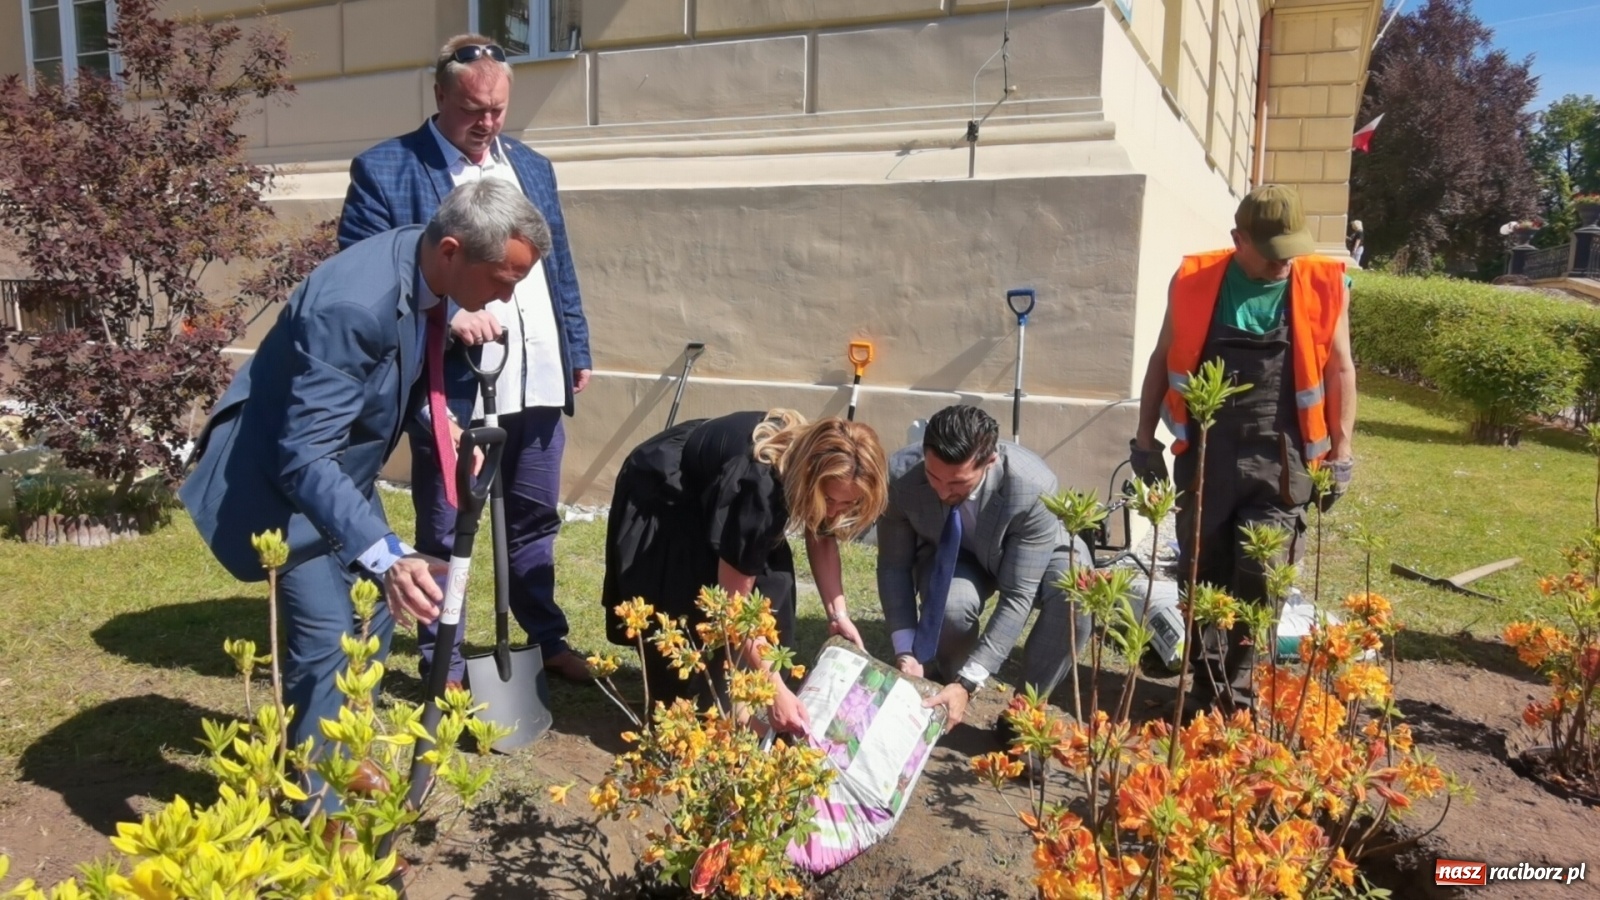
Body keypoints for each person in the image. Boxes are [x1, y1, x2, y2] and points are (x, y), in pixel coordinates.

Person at [180, 179, 551, 804]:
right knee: (328, 635)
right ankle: (318, 811)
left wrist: (449, 429)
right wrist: (386, 553)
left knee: (374, 612)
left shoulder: (424, 267)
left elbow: (394, 376)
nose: (507, 298)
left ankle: (333, 749)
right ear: (454, 250)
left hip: (337, 470)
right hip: (285, 485)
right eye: (502, 280)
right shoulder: (353, 306)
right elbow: (301, 454)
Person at [338, 34, 595, 686]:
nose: (486, 123)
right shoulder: (388, 169)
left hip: (535, 371)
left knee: (537, 514)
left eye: (498, 110)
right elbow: (368, 277)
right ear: (440, 95)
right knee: (448, 525)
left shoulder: (531, 166)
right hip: (451, 381)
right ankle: (443, 664)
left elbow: (557, 265)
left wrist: (576, 345)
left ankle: (546, 638)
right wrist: (451, 317)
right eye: (472, 109)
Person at [1130, 183, 1356, 714]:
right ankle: (1204, 691)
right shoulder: (1196, 281)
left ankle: (1239, 698)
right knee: (1203, 574)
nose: (1284, 262)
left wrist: (1341, 454)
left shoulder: (1324, 284)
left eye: (1291, 249)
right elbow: (1163, 357)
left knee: (1260, 573)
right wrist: (1145, 440)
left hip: (1283, 461)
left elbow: (1339, 368)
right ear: (1239, 239)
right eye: (1272, 251)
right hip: (1206, 457)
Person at [601, 410, 888, 735]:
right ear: (810, 478)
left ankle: (742, 705)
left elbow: (822, 533)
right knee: (690, 609)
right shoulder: (761, 489)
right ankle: (702, 709)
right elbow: (732, 603)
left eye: (848, 505)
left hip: (722, 484)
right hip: (672, 494)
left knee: (773, 592)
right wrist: (774, 689)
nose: (836, 512)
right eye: (831, 500)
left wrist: (838, 613)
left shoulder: (818, 472)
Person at [876, 405, 1094, 731]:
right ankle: (943, 681)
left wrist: (971, 681)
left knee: (1074, 599)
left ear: (989, 462)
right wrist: (906, 651)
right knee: (952, 606)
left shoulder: (1033, 486)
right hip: (959, 550)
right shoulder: (900, 476)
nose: (943, 491)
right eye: (934, 477)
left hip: (1038, 549)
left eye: (958, 482)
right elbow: (894, 565)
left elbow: (1018, 595)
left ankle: (1023, 713)